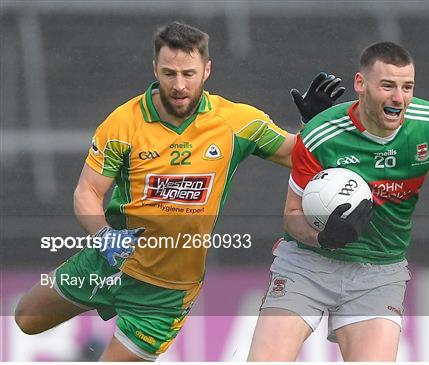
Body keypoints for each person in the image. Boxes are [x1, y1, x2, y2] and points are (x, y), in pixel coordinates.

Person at [14, 21, 344, 361]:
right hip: (108, 263)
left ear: (207, 70)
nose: (179, 85)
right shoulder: (123, 123)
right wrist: (102, 235)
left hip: (167, 293)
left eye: (189, 73)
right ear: (155, 68)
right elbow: (86, 192)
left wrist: (312, 126)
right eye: (169, 73)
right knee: (26, 319)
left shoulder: (235, 121)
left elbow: (297, 158)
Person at [248, 41, 429, 361]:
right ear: (360, 84)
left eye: (407, 87)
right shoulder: (320, 132)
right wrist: (322, 237)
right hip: (307, 265)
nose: (398, 98)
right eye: (388, 86)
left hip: (379, 272)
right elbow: (292, 215)